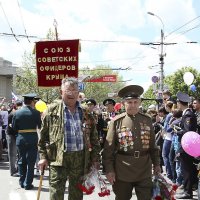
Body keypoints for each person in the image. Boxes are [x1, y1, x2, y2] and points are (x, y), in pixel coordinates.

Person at [38, 77, 101, 200]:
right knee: (56, 193)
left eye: (74, 90)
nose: (71, 93)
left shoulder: (86, 112)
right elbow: (42, 138)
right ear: (61, 92)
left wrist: (95, 158)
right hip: (58, 159)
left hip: (80, 159)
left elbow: (94, 138)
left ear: (78, 93)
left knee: (77, 194)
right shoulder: (51, 111)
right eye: (68, 90)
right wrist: (43, 157)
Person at [102, 85, 161, 200]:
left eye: (135, 102)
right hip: (123, 170)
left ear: (139, 103)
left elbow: (153, 145)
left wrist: (157, 164)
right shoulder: (116, 122)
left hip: (144, 169)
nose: (133, 105)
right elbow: (108, 149)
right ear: (124, 103)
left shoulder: (147, 120)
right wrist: (109, 170)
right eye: (129, 102)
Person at [12, 94, 42, 190]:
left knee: (21, 160)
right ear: (32, 101)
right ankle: (28, 183)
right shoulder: (36, 113)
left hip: (21, 138)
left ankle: (22, 182)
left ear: (24, 102)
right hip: (32, 138)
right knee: (31, 161)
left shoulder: (17, 113)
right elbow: (40, 126)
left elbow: (13, 128)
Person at [175, 92, 198, 199]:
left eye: (177, 103)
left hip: (187, 145)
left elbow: (187, 131)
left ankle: (188, 192)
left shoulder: (188, 114)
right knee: (188, 168)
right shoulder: (186, 113)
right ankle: (187, 188)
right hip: (187, 144)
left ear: (180, 103)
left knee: (186, 169)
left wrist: (178, 131)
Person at [7, 100, 23, 176]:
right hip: (11, 134)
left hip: (17, 134)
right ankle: (12, 171)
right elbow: (11, 126)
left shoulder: (18, 113)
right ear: (15, 106)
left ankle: (17, 169)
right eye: (19, 106)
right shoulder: (12, 114)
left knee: (17, 153)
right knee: (12, 153)